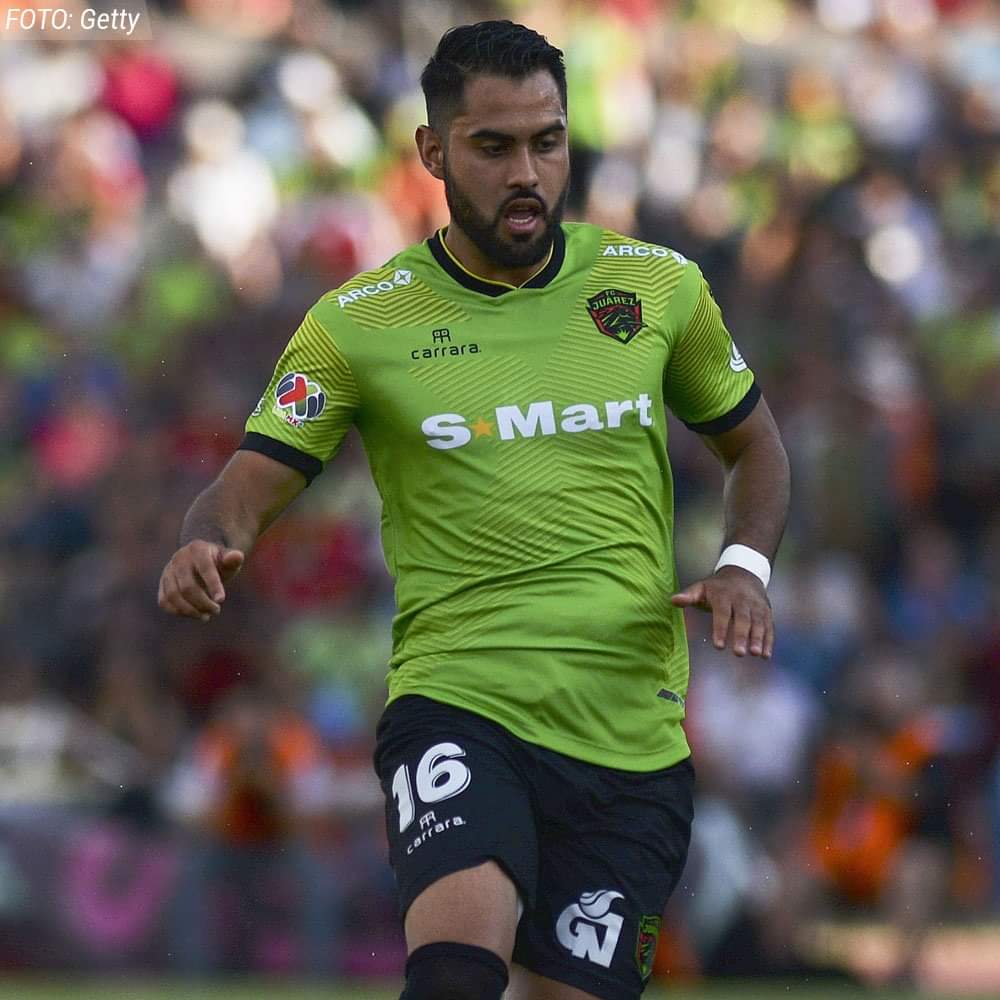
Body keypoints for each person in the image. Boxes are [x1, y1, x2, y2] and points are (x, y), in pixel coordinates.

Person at [158, 20, 790, 1000]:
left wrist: (744, 565)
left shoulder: (656, 289)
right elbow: (248, 478)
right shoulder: (359, 323)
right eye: (493, 146)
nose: (526, 170)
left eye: (547, 139)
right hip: (461, 702)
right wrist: (209, 537)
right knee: (455, 976)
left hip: (632, 735)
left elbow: (755, 446)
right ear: (433, 152)